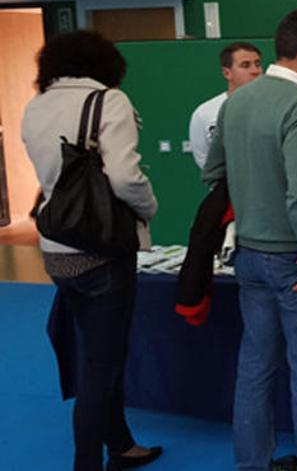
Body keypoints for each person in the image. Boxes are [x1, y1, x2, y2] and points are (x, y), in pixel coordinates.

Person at [202, 9, 297, 471]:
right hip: (295, 261)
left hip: (249, 256)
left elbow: (213, 172)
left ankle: (252, 464)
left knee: (255, 368)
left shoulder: (234, 102)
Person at [21, 31, 161, 471]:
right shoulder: (108, 101)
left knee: (98, 353)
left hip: (56, 246)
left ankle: (120, 443)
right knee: (102, 364)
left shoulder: (35, 105)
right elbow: (123, 177)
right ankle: (89, 463)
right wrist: (149, 205)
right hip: (103, 246)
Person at [189, 42, 262, 169]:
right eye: (246, 65)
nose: (255, 71)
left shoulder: (274, 108)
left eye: (258, 64)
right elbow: (204, 159)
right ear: (227, 73)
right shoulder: (205, 113)